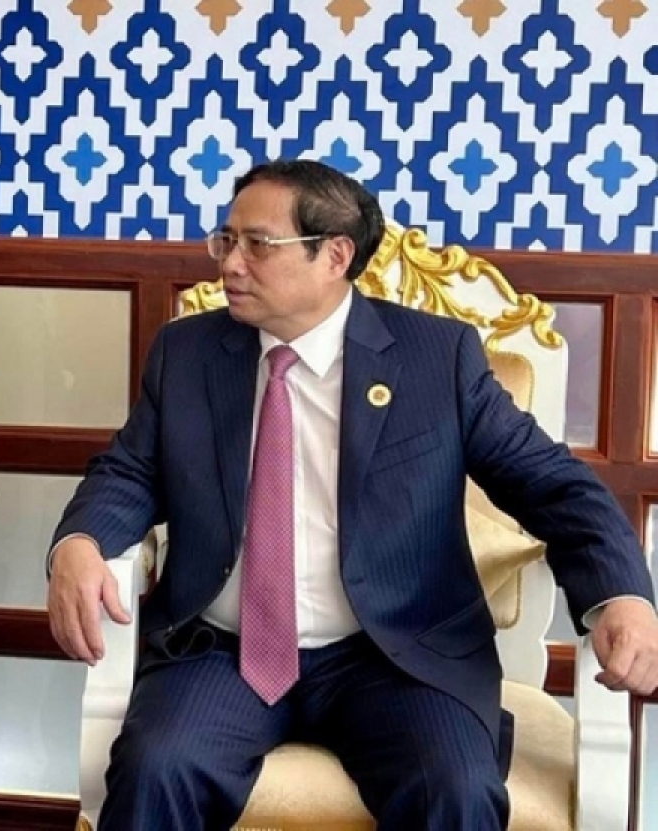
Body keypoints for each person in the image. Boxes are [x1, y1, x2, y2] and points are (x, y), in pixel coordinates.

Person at [46, 159, 658, 830]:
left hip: (394, 655)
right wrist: (81, 541)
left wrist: (619, 593)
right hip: (224, 649)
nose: (229, 263)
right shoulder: (188, 351)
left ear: (334, 254)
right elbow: (129, 470)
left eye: (258, 244)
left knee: (454, 787)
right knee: (156, 769)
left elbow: (554, 484)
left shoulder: (435, 358)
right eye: (226, 239)